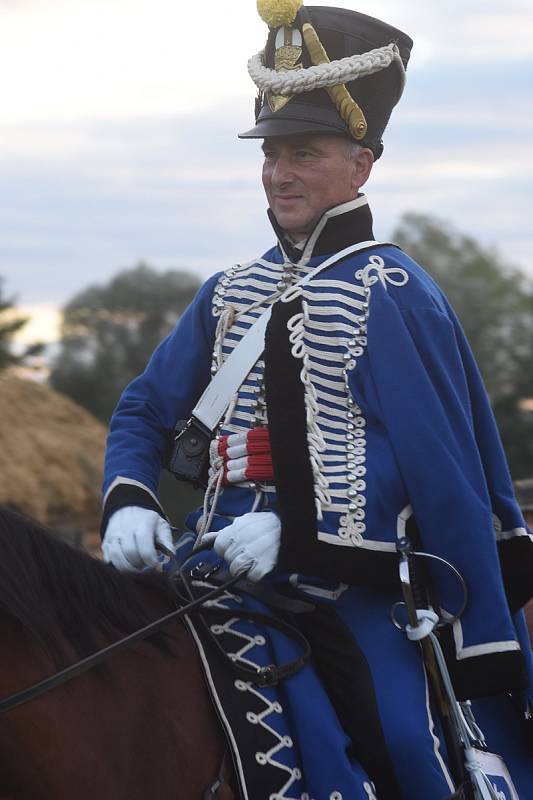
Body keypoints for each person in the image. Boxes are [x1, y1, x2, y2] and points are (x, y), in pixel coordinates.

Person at [101, 2, 533, 798]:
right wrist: (127, 496)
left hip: (355, 582)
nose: (279, 173)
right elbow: (144, 412)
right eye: (271, 153)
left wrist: (297, 531)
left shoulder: (394, 289)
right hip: (211, 564)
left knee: (407, 746)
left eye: (303, 152)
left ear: (360, 165)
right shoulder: (228, 292)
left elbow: (433, 465)